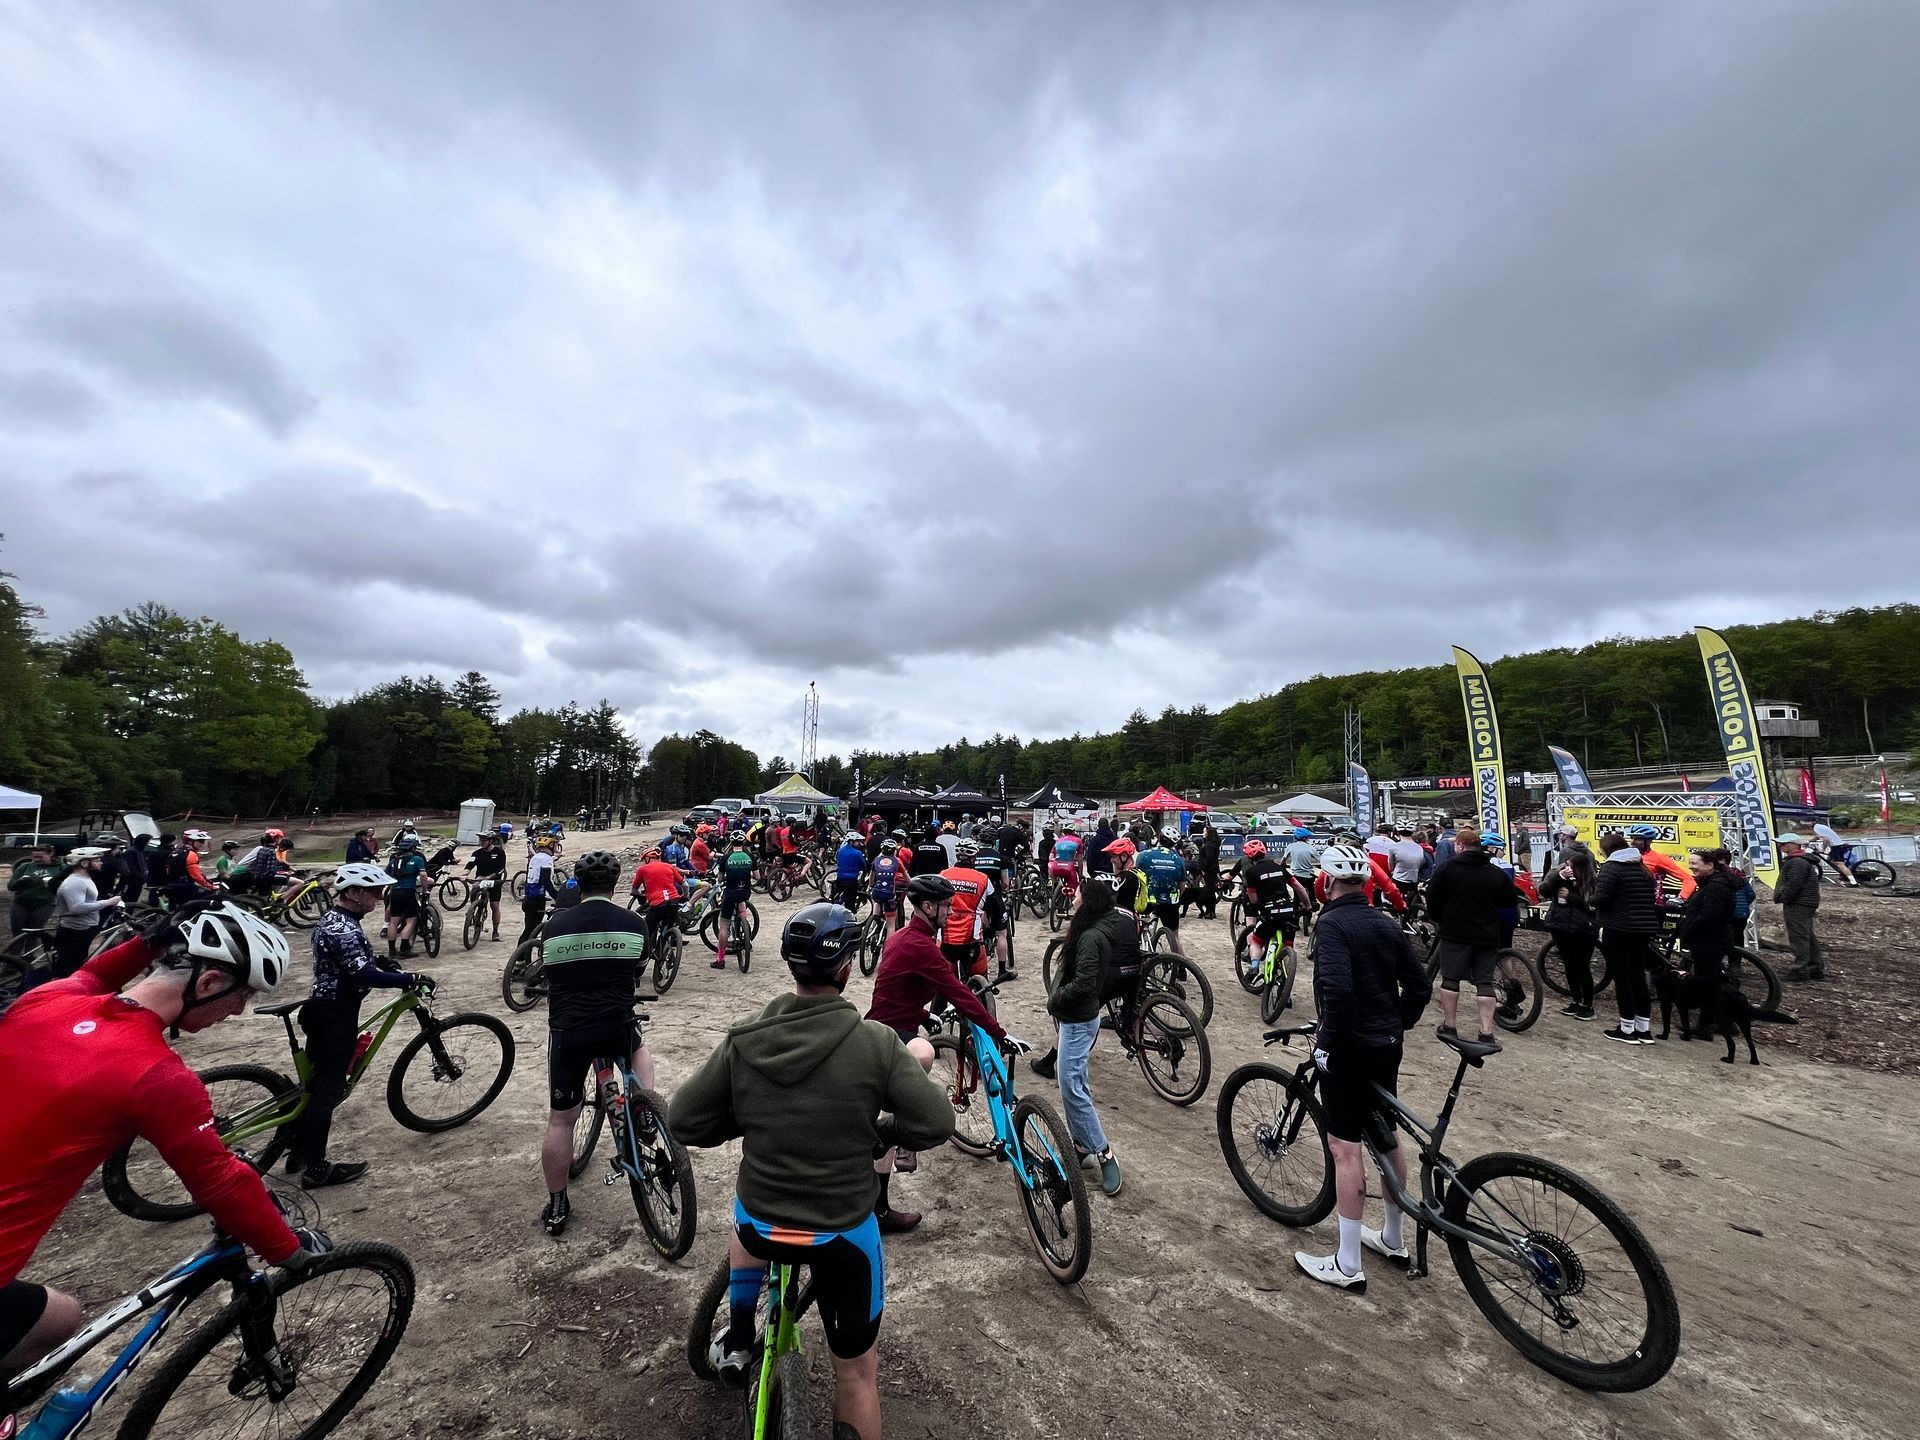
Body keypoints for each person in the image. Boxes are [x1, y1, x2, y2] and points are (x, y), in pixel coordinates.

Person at [672, 903, 957, 1440]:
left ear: (788, 964)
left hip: (763, 1217)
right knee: (856, 1373)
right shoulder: (876, 1043)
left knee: (746, 1212)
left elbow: (685, 1119)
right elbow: (936, 1121)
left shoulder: (745, 1039)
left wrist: (751, 1121)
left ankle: (737, 1334)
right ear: (848, 967)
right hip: (842, 1228)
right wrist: (882, 1133)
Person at [0, 901, 321, 1375]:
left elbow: (94, 974)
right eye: (242, 997)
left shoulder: (47, 1001)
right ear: (210, 983)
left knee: (58, 1317)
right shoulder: (155, 1075)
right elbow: (219, 1180)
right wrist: (291, 1251)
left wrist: (152, 939)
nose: (237, 1013)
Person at [1291, 845, 1433, 1293]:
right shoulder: (1385, 921)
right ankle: (1392, 1237)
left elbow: (1337, 993)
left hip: (1350, 1047)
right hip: (1387, 1044)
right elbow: (1420, 986)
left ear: (1327, 882)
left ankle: (1348, 1261)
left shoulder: (1332, 923)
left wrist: (1327, 1045)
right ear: (1367, 882)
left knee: (1344, 1145)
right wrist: (1396, 1023)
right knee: (1385, 1133)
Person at [864, 874, 1011, 1226]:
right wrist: (998, 1032)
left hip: (886, 1025)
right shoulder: (921, 945)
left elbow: (896, 989)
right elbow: (958, 992)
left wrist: (923, 1013)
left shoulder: (904, 936)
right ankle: (904, 1135)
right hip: (888, 1036)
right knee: (924, 1056)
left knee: (880, 1134)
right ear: (928, 907)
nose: (951, 911)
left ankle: (879, 1204)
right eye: (946, 905)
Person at [535, 850, 656, 1235]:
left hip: (569, 1030)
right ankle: (646, 1106)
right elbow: (638, 968)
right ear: (613, 884)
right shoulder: (633, 923)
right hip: (615, 1025)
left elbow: (550, 973)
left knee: (561, 1120)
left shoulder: (555, 926)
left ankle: (557, 1202)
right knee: (637, 1047)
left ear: (580, 885)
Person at [299, 863, 431, 1187]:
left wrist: (381, 962)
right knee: (327, 1090)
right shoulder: (343, 927)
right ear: (354, 893)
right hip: (334, 1013)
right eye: (373, 892)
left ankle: (293, 1149)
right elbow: (361, 974)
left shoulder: (338, 918)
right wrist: (406, 978)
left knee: (315, 1085)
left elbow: (354, 961)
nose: (378, 897)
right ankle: (315, 1169)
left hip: (326, 1008)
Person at [1030, 877, 1126, 1196]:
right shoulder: (1090, 931)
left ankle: (1104, 1153)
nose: (1072, 901)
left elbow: (1085, 983)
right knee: (1076, 1082)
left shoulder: (1090, 937)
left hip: (1079, 1019)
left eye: (1078, 898)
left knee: (1072, 1088)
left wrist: (1055, 1000)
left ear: (1090, 904)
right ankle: (1081, 1145)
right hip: (1080, 1018)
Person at [1421, 827, 1516, 1049]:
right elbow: (1509, 900)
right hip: (1487, 933)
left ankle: (1450, 1025)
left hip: (1455, 931)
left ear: (1461, 846)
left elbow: (1433, 899)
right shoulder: (1495, 873)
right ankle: (1486, 1031)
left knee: (1451, 979)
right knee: (1484, 981)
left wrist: (1439, 918)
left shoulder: (1447, 869)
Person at [1591, 832, 1660, 1043]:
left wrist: (1589, 898)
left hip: (1618, 928)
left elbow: (1601, 898)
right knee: (1638, 977)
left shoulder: (1611, 868)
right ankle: (1643, 1028)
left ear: (1608, 849)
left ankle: (1626, 1028)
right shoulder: (1642, 868)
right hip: (1642, 929)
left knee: (1622, 978)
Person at [1676, 848, 1739, 1036]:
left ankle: (1708, 1026)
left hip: (1710, 941)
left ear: (1710, 865)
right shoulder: (1712, 883)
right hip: (1711, 939)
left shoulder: (1716, 886)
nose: (1690, 867)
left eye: (1695, 863)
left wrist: (1689, 929)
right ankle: (1721, 1021)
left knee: (1708, 984)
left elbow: (1710, 915)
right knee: (1712, 982)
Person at [1539, 843, 1600, 1021]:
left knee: (1582, 966)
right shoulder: (1560, 876)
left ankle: (1587, 1004)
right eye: (1566, 866)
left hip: (1583, 930)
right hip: (1561, 926)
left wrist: (1571, 897)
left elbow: (1594, 907)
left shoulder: (1593, 881)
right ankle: (1575, 1000)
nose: (1568, 869)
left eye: (1571, 867)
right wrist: (1559, 877)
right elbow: (1544, 891)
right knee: (1569, 965)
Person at [49, 846, 123, 981]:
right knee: (67, 970)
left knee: (75, 964)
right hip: (76, 930)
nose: (101, 862)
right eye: (96, 860)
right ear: (84, 863)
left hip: (83, 927)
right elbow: (76, 908)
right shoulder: (76, 882)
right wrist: (107, 902)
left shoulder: (83, 879)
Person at [938, 838, 997, 980]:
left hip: (945, 941)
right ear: (974, 857)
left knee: (943, 986)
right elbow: (995, 908)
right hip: (973, 941)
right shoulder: (983, 879)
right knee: (981, 983)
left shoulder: (943, 875)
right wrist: (991, 932)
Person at [1772, 834, 1825, 982]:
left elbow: (1794, 884)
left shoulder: (1796, 862)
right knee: (1806, 934)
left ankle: (1800, 970)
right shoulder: (1801, 860)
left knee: (1798, 936)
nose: (1780, 846)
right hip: (1805, 902)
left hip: (1798, 903)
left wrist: (1784, 898)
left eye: (1783, 844)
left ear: (1794, 845)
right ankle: (1815, 967)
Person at [1137, 828, 1189, 955]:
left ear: (1159, 837)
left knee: (1138, 930)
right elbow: (1182, 887)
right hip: (1170, 903)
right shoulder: (1178, 860)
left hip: (1148, 901)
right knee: (1175, 936)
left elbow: (1137, 878)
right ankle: (1181, 967)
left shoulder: (1144, 855)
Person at [632, 846, 689, 962]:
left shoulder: (642, 870)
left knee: (645, 931)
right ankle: (666, 948)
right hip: (673, 901)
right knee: (668, 926)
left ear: (647, 858)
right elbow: (685, 885)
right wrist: (685, 896)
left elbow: (634, 890)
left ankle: (643, 957)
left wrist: (640, 896)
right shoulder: (669, 867)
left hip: (658, 904)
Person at [713, 837, 757, 968]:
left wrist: (725, 877)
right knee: (742, 908)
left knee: (724, 927)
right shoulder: (750, 856)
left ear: (731, 844)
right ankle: (746, 936)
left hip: (730, 893)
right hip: (744, 892)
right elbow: (758, 877)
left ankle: (720, 960)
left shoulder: (726, 858)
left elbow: (720, 879)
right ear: (743, 843)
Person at [1627, 824, 1696, 903]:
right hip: (1629, 904)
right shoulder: (1625, 856)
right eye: (1631, 838)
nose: (1632, 842)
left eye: (1637, 839)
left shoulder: (1658, 858)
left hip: (1652, 905)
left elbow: (1688, 879)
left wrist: (1682, 897)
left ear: (1649, 841)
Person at [384, 833, 428, 956]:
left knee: (393, 922)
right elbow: (423, 876)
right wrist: (425, 890)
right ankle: (404, 948)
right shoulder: (416, 859)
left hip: (395, 892)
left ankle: (392, 950)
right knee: (411, 920)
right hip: (408, 891)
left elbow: (386, 875)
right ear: (413, 849)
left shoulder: (393, 861)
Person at [7, 841, 61, 939]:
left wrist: (52, 883)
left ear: (50, 854)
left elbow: (66, 886)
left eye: (40, 857)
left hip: (44, 903)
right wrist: (21, 881)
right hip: (21, 903)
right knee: (17, 934)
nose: (37, 860)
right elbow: (11, 886)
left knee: (34, 933)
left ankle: (31, 953)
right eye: (35, 857)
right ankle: (14, 954)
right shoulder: (25, 866)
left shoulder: (61, 867)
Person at [464, 829, 508, 942]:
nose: (481, 842)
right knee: (474, 888)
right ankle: (473, 909)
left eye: (484, 840)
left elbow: (501, 869)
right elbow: (470, 865)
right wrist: (464, 874)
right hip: (480, 878)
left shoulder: (499, 853)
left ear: (491, 841)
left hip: (494, 881)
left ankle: (495, 930)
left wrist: (490, 877)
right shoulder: (477, 853)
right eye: (481, 840)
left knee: (494, 905)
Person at [519, 834, 561, 946]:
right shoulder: (546, 859)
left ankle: (520, 957)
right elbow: (546, 881)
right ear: (550, 845)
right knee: (532, 930)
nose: (557, 848)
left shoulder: (535, 857)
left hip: (529, 897)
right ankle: (522, 956)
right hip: (537, 899)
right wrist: (558, 897)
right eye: (556, 845)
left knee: (528, 928)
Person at [162, 829, 220, 907]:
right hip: (185, 886)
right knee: (211, 897)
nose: (202, 844)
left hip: (172, 885)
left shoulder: (175, 852)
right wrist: (210, 886)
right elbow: (196, 875)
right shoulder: (191, 854)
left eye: (203, 841)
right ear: (190, 841)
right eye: (200, 841)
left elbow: (168, 871)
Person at [869, 838, 906, 935]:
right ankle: (888, 948)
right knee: (891, 925)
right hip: (889, 893)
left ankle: (874, 922)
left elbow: (871, 878)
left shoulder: (876, 860)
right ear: (894, 851)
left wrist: (871, 884)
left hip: (877, 891)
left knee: (876, 900)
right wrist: (911, 885)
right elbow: (907, 878)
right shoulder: (897, 861)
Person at [1192, 819, 1222, 919]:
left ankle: (1210, 911)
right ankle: (1211, 911)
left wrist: (1203, 868)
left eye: (1204, 831)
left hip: (1209, 871)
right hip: (1212, 869)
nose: (1203, 833)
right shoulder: (1212, 844)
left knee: (1209, 891)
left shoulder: (1209, 845)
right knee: (1210, 891)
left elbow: (1209, 858)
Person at [832, 831, 869, 910]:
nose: (860, 843)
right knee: (850, 903)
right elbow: (863, 866)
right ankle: (849, 918)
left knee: (840, 897)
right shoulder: (857, 853)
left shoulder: (840, 850)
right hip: (851, 880)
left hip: (839, 878)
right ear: (851, 841)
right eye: (858, 841)